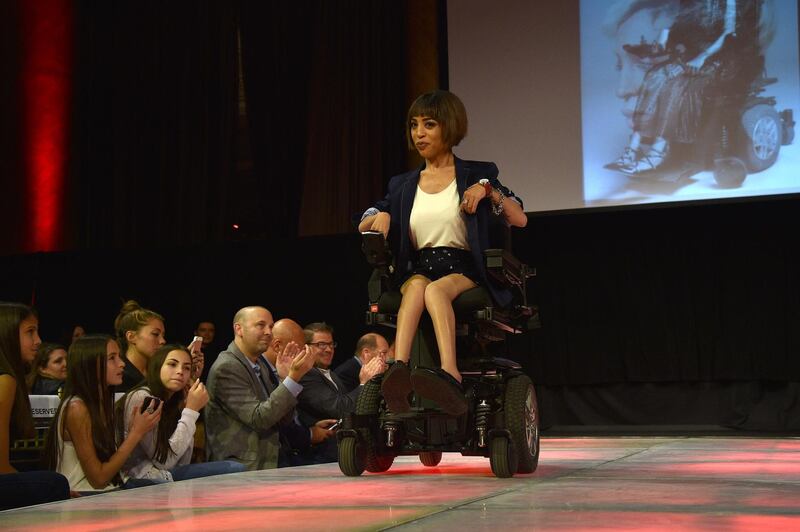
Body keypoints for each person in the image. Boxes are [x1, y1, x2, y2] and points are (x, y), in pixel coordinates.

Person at [358, 90, 526, 416]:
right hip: (419, 267)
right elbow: (363, 218)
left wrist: (489, 191)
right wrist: (380, 215)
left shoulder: (478, 174)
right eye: (414, 125)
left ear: (449, 127)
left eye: (429, 124)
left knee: (434, 290)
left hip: (464, 268)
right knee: (420, 285)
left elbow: (519, 218)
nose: (419, 133)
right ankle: (398, 369)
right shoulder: (403, 185)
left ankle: (450, 374)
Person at [607, 0, 767, 174]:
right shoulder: (686, 4)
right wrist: (656, 46)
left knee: (676, 85)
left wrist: (703, 57)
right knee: (654, 77)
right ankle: (633, 148)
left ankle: (657, 151)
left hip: (720, 58)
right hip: (690, 56)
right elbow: (672, 31)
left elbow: (728, 35)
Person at [43, 334, 162, 492]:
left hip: (110, 488)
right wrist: (136, 433)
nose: (121, 364)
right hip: (87, 493)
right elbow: (98, 478)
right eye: (111, 358)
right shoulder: (77, 408)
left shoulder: (99, 403)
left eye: (119, 356)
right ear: (90, 364)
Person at [204, 306, 317, 470]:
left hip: (271, 460)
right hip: (241, 468)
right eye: (260, 325)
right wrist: (292, 379)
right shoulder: (227, 367)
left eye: (271, 326)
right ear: (239, 329)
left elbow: (282, 419)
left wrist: (284, 379)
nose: (268, 332)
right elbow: (260, 419)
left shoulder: (258, 364)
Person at [117, 344, 244, 484]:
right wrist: (191, 411)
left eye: (186, 368)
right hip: (138, 478)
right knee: (233, 469)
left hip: (164, 474)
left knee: (235, 468)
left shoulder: (171, 401)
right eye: (172, 364)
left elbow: (182, 461)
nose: (180, 371)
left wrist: (185, 409)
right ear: (157, 367)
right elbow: (165, 462)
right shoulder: (143, 397)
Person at [0, 302, 69, 510]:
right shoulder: (5, 381)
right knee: (55, 483)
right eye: (30, 332)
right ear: (7, 334)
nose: (38, 341)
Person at [296, 323, 385, 463]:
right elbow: (341, 409)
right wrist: (363, 384)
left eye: (331, 344)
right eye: (321, 344)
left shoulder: (331, 374)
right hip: (321, 458)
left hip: (342, 453)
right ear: (305, 347)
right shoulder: (306, 375)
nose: (329, 349)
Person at [261, 319, 337, 466]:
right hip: (276, 458)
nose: (304, 353)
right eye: (301, 349)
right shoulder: (266, 373)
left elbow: (285, 418)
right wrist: (310, 434)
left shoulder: (277, 371)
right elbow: (269, 419)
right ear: (277, 346)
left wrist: (310, 429)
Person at [114, 300, 167, 391]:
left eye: (163, 335)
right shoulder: (119, 376)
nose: (163, 341)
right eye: (155, 334)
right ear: (131, 336)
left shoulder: (159, 373)